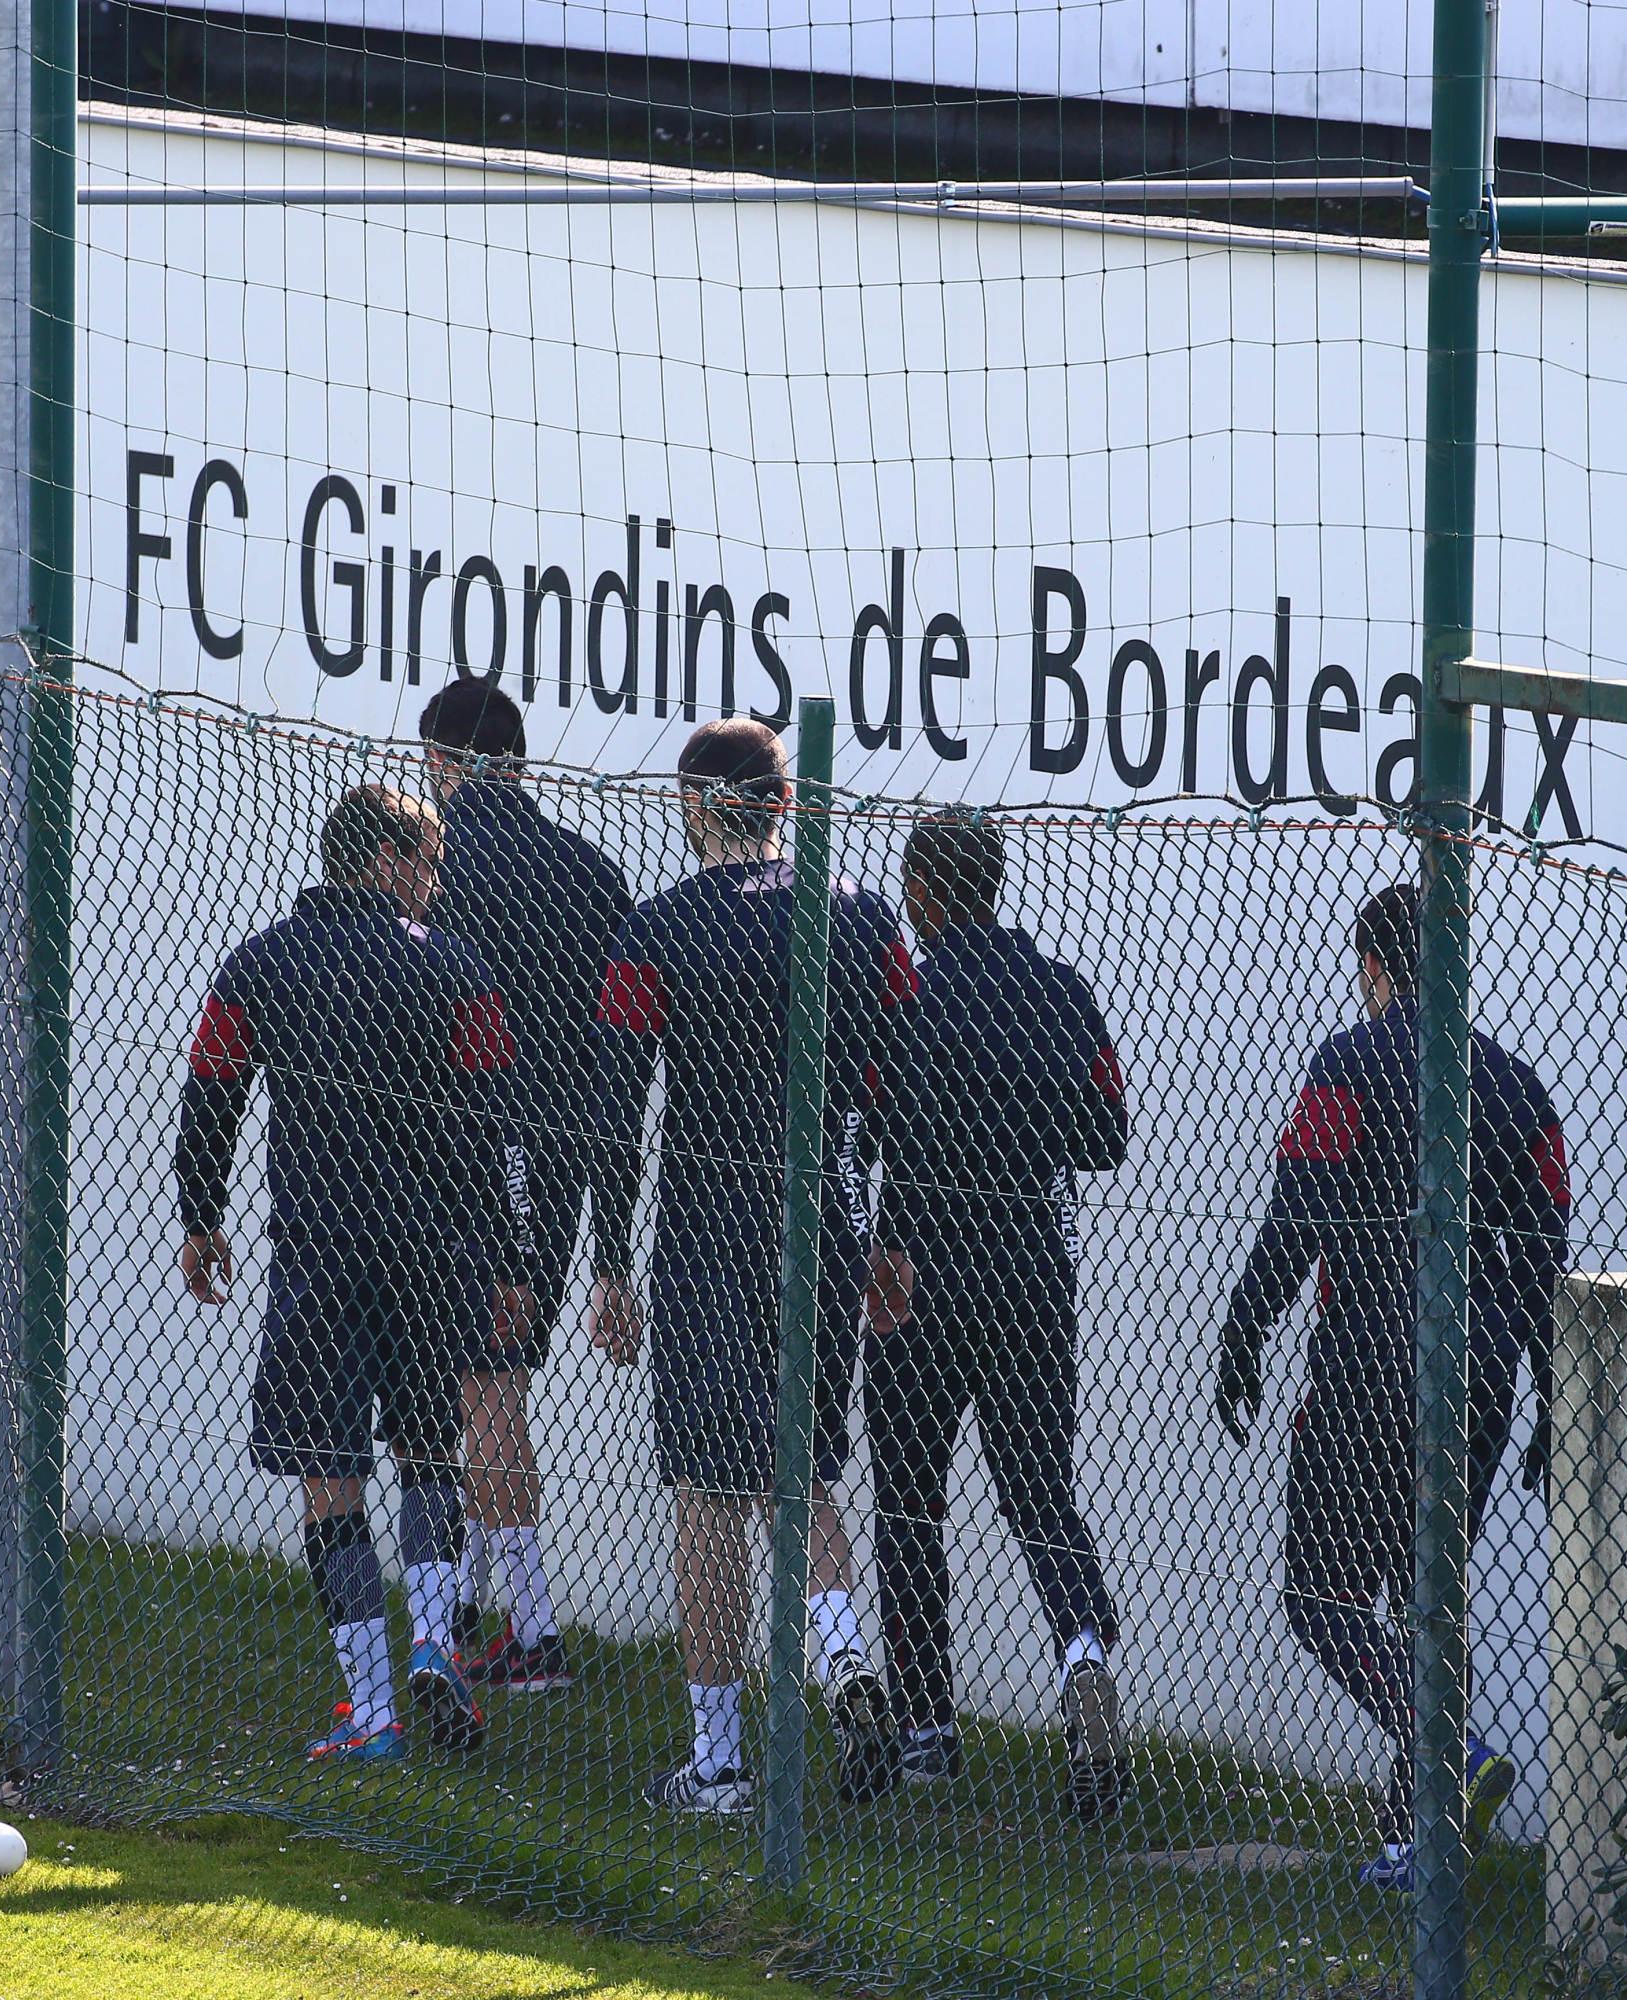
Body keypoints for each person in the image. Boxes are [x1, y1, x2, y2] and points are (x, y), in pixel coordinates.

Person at [1211, 882, 1570, 1893]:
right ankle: (1423, 1839)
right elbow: (1542, 1249)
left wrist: (1245, 1325)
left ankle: (1448, 1761)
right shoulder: (1518, 1084)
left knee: (1320, 1593)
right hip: (1484, 1360)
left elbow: (1301, 1209)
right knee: (1429, 1600)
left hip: (1371, 1347)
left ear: (1371, 964)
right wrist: (1547, 1385)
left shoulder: (1350, 1060)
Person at [586, 716, 907, 1815]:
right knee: (804, 1472)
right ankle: (843, 1657)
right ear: (785, 803)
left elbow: (616, 1106)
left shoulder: (655, 931)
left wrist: (611, 1260)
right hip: (826, 1218)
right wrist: (889, 1234)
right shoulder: (862, 916)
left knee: (709, 1496)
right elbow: (904, 1083)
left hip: (708, 1232)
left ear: (693, 802)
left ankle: (720, 1760)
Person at [175, 784, 528, 1765]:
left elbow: (212, 1093)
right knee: (429, 1457)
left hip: (318, 1254)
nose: (435, 880)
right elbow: (498, 1131)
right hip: (435, 1257)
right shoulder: (456, 969)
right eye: (425, 861)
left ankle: (372, 1713)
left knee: (329, 1484)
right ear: (382, 861)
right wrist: (506, 1256)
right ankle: (436, 1645)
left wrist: (202, 1214)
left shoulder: (261, 964)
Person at [862, 808, 1131, 1817]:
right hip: (1030, 1267)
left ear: (926, 891)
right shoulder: (1063, 989)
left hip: (916, 1267)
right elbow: (1107, 1134)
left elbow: (867, 1120)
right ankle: (1082, 1653)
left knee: (909, 1498)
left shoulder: (908, 995)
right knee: (1038, 1492)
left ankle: (928, 1722)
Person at [417, 678, 633, 1694]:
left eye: (430, 766)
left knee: (487, 1390)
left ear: (447, 762)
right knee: (487, 1386)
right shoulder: (594, 874)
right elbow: (616, 1054)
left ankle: (536, 1630)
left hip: (463, 1152)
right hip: (560, 1156)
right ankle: (471, 1605)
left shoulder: (436, 860)